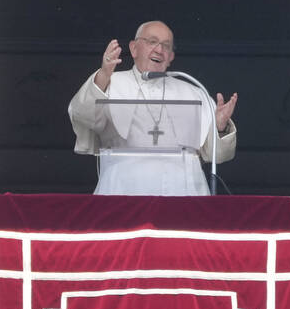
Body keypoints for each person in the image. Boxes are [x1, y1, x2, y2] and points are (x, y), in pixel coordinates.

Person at [68, 20, 238, 195]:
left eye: (166, 45)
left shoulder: (194, 91)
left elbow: (218, 155)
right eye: (152, 42)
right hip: (123, 190)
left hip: (184, 194)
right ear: (133, 48)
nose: (159, 50)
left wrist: (220, 127)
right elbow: (82, 116)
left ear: (171, 57)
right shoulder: (109, 83)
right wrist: (103, 74)